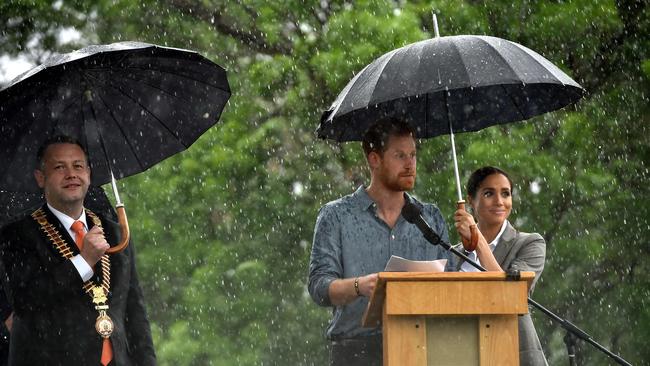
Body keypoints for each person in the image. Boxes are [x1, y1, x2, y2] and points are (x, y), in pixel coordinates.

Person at [308, 118, 455, 366]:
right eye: (400, 155)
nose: (410, 164)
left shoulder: (430, 217)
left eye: (413, 155)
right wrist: (359, 286)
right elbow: (319, 287)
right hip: (355, 353)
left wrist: (473, 246)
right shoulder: (335, 216)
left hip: (421, 347)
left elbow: (451, 285)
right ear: (374, 159)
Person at [0, 135, 156, 365]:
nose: (71, 174)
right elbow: (26, 301)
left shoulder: (115, 233)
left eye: (78, 166)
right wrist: (83, 261)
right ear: (41, 178)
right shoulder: (17, 235)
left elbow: (135, 315)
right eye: (59, 167)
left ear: (89, 174)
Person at [453, 166, 548, 366]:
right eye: (489, 193)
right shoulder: (452, 254)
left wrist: (478, 242)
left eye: (506, 194)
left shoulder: (530, 243)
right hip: (461, 352)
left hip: (512, 353)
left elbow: (508, 294)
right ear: (470, 200)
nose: (499, 201)